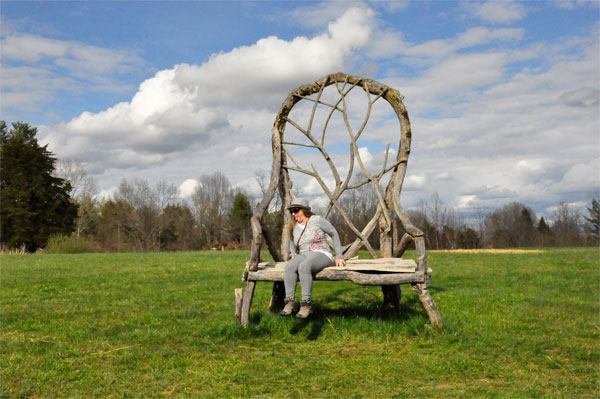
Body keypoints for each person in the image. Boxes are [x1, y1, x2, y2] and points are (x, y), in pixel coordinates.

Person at [280, 197, 346, 319]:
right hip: (304, 254)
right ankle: (290, 302)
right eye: (292, 211)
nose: (293, 214)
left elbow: (334, 233)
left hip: (322, 253)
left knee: (304, 266)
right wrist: (294, 254)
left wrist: (339, 256)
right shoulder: (293, 226)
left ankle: (306, 305)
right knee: (290, 265)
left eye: (296, 210)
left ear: (305, 210)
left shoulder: (317, 220)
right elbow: (291, 242)